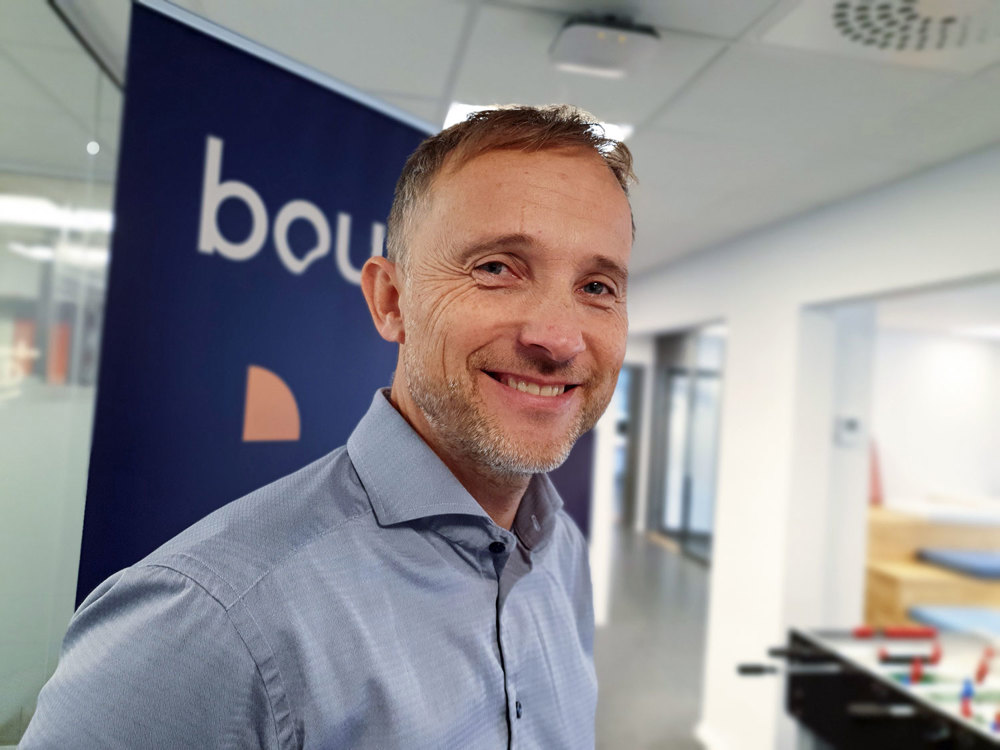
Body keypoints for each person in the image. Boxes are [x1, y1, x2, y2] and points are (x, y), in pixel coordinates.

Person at [21, 104, 636, 749]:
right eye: (496, 268)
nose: (559, 339)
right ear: (391, 301)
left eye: (597, 286)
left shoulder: (558, 549)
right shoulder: (208, 625)